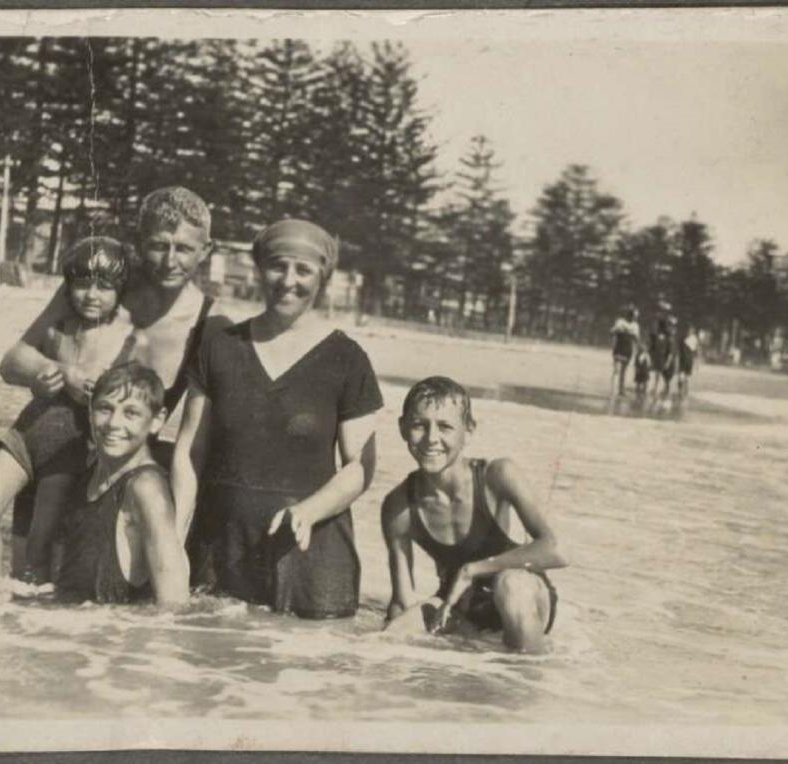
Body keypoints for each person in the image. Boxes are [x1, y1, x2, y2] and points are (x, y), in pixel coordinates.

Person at [172, 219, 382, 619]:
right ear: (259, 268)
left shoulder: (347, 359)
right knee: (199, 665)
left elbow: (360, 466)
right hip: (220, 548)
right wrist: (176, 533)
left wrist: (309, 511)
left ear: (323, 277)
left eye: (303, 270)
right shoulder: (220, 348)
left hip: (309, 556)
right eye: (277, 265)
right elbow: (190, 450)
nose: (288, 280)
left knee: (298, 675)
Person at [0, 187, 225, 543]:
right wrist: (60, 372)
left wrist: (174, 530)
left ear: (206, 250)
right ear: (137, 242)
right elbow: (14, 360)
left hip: (123, 471)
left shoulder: (208, 324)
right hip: (56, 449)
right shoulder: (101, 288)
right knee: (23, 582)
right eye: (157, 245)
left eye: (183, 248)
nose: (169, 261)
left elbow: (191, 441)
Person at [0, 236, 135, 580]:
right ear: (67, 286)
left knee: (38, 548)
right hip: (26, 433)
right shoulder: (57, 327)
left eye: (104, 287)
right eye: (82, 285)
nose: (91, 295)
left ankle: (25, 614)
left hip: (69, 448)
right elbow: (9, 364)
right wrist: (56, 373)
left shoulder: (126, 337)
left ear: (121, 290)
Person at [381, 377, 567, 653]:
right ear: (402, 428)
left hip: (522, 595)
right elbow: (401, 600)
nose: (432, 438)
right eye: (420, 425)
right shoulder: (399, 507)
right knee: (393, 634)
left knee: (510, 585)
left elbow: (556, 550)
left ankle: (527, 684)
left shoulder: (497, 476)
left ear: (468, 431)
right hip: (459, 604)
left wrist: (474, 569)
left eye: (445, 426)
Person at [34, 363, 190, 606]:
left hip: (112, 635)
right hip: (70, 628)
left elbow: (174, 603)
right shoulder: (87, 476)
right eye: (105, 409)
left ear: (157, 421)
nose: (114, 423)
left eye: (131, 413)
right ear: (89, 412)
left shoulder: (145, 488)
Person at [608, 306, 640, 396]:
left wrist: (632, 334)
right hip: (619, 348)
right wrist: (619, 331)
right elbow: (612, 332)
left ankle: (620, 390)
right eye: (633, 316)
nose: (634, 318)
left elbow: (637, 339)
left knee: (623, 371)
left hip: (627, 349)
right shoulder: (620, 322)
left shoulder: (635, 326)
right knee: (617, 370)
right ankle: (613, 389)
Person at [649, 316, 678, 398]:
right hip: (663, 357)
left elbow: (670, 351)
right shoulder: (665, 335)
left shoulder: (668, 336)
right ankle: (661, 390)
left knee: (666, 376)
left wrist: (668, 361)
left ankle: (664, 391)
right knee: (662, 375)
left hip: (666, 358)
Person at [677, 325, 699, 398]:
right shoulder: (685, 339)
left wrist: (696, 363)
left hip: (688, 360)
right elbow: (680, 350)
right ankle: (681, 390)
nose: (689, 332)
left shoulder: (692, 339)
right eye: (689, 331)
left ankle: (684, 390)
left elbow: (695, 352)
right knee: (682, 376)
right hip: (684, 359)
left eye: (690, 331)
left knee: (685, 376)